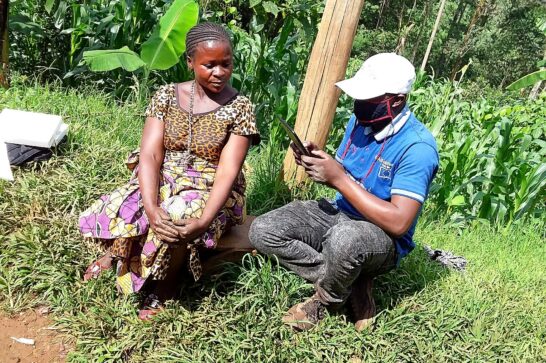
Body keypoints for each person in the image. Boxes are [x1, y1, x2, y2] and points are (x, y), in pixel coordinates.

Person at [79, 23, 260, 319]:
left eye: (226, 64)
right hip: (165, 171)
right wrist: (151, 207)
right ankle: (117, 254)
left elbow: (229, 169)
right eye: (209, 65)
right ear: (190, 63)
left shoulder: (240, 107)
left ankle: (166, 284)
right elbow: (150, 154)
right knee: (133, 201)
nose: (219, 72)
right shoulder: (166, 96)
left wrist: (203, 220)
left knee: (178, 217)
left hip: (210, 185)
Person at [249, 53, 438, 331]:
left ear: (396, 100)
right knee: (263, 230)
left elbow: (399, 223)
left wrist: (338, 180)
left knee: (346, 239)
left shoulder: (418, 148)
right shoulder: (362, 121)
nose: (359, 104)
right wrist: (320, 162)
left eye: (369, 98)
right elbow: (346, 171)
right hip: (340, 210)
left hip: (379, 235)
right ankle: (352, 279)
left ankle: (326, 300)